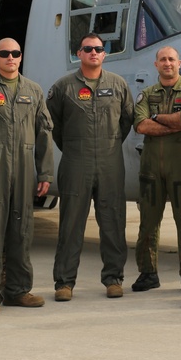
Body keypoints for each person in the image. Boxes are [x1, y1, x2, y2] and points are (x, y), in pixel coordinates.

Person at [0, 39, 54, 316]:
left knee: (22, 231)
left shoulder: (33, 90)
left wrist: (46, 171)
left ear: (20, 57)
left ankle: (18, 290)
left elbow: (44, 134)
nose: (10, 58)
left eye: (15, 53)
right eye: (4, 54)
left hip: (25, 170)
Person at [48, 33, 134, 300]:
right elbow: (55, 126)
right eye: (88, 49)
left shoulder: (118, 85)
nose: (94, 52)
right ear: (79, 53)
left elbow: (127, 121)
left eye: (98, 49)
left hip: (110, 161)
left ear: (104, 54)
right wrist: (76, 147)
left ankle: (113, 279)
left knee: (113, 222)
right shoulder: (63, 87)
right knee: (71, 224)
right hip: (76, 161)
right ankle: (64, 283)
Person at [131, 46, 181, 293]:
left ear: (179, 63)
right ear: (156, 64)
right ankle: (148, 273)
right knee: (148, 223)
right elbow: (140, 125)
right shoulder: (146, 93)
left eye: (171, 59)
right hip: (152, 167)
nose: (167, 63)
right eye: (163, 59)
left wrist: (157, 117)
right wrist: (174, 122)